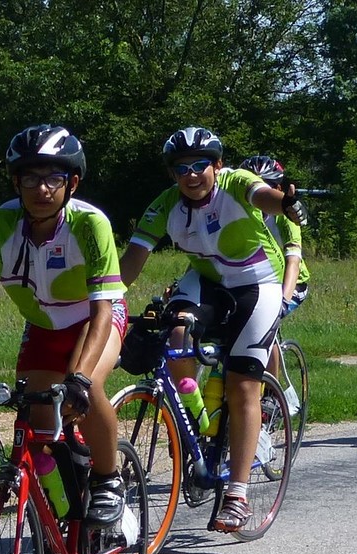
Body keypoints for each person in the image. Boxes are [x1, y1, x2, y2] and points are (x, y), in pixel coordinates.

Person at [0, 124, 128, 529]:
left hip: (94, 318)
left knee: (87, 390)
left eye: (54, 178)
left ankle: (109, 481)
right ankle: (60, 521)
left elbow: (102, 310)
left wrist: (79, 378)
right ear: (16, 182)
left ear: (72, 183)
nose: (42, 189)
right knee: (38, 432)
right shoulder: (1, 224)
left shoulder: (91, 223)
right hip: (42, 325)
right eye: (31, 178)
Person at [119, 126, 307, 533]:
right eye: (181, 168)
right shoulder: (166, 204)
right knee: (175, 334)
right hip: (207, 281)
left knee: (242, 384)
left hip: (256, 283)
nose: (191, 174)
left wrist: (286, 203)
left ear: (217, 165)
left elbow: (264, 196)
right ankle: (199, 425)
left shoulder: (236, 183)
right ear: (172, 173)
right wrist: (106, 300)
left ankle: (237, 494)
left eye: (200, 165)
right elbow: (132, 259)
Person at [239, 155, 310, 378]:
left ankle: (272, 389)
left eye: (266, 187)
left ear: (277, 189)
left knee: (266, 326)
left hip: (292, 283)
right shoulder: (239, 214)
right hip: (258, 280)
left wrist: (283, 300)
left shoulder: (285, 217)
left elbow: (293, 262)